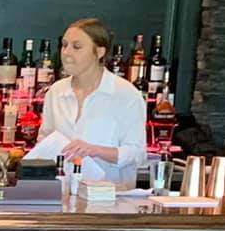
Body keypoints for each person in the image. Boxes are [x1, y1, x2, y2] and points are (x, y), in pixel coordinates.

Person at [25, 17, 149, 184]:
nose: (66, 52)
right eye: (64, 45)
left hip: (110, 195)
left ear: (99, 52)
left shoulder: (126, 95)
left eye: (76, 47)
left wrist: (94, 150)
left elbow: (137, 155)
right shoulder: (56, 92)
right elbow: (45, 139)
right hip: (62, 193)